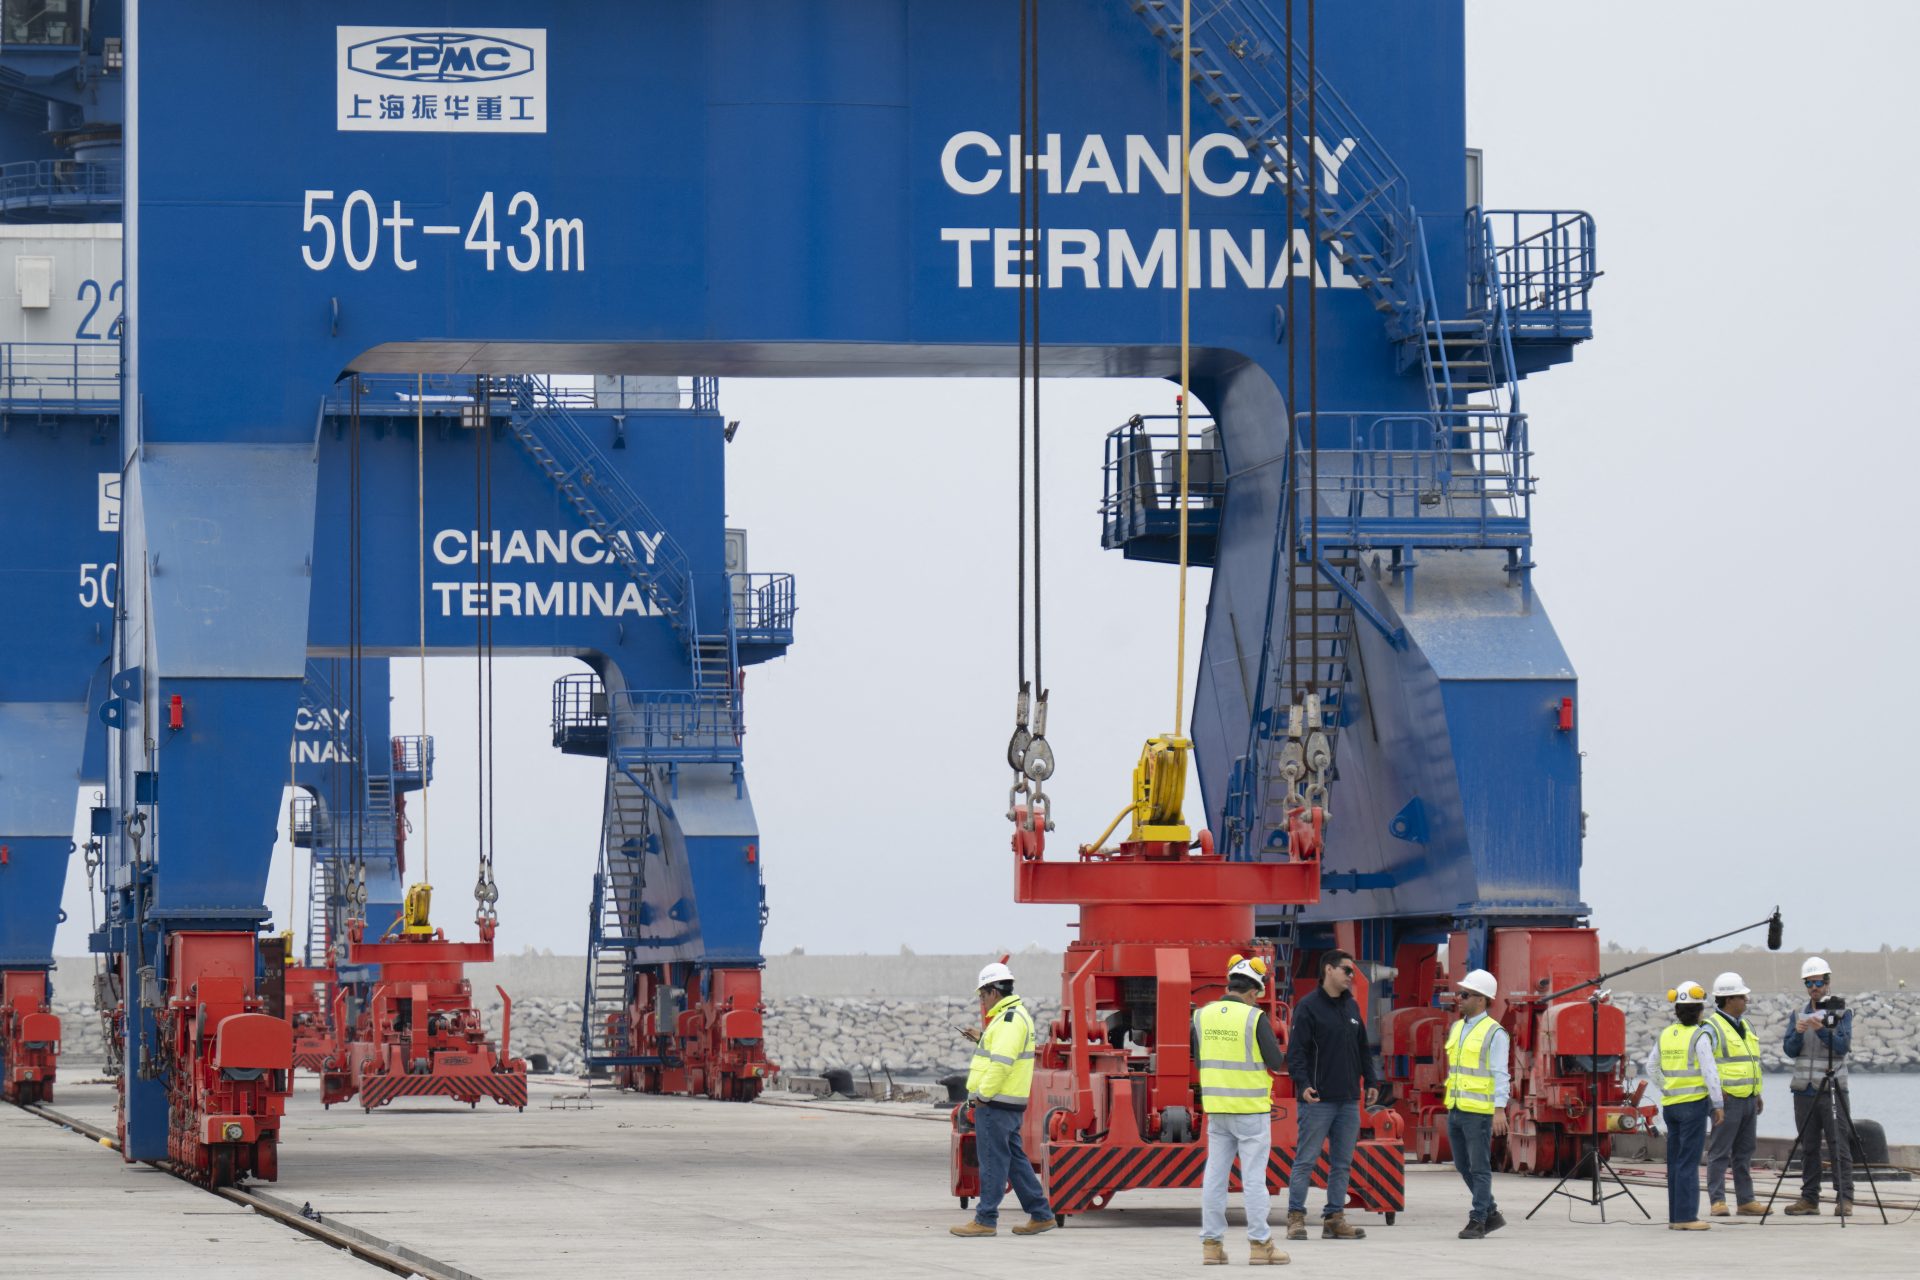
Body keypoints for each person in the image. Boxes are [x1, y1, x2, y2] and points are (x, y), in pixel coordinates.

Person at [1191, 955, 1290, 1266]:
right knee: (1253, 1180)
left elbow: (1198, 1060)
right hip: (1250, 1111)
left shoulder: (1202, 1016)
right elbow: (1276, 1062)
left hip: (1217, 1111)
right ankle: (1261, 1244)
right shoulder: (1254, 1018)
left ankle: (1211, 1245)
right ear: (1252, 992)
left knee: (1215, 1178)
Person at [950, 960, 1057, 1238]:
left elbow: (1001, 1063)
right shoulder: (1012, 1016)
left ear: (993, 992)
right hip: (1006, 1103)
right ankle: (1041, 1214)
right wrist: (982, 1037)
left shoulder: (1009, 1019)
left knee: (993, 1161)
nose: (982, 1001)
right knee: (1014, 1161)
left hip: (996, 1103)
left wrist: (983, 1096)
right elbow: (1002, 1050)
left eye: (982, 995)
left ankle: (986, 1219)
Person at [1284, 948, 1382, 1241]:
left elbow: (1362, 1047)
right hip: (1318, 1101)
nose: (1351, 976)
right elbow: (1296, 1053)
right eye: (1346, 970)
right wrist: (1302, 1085)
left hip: (1348, 1100)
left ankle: (1334, 1218)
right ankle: (1295, 1218)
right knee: (1306, 1160)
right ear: (1328, 969)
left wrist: (1372, 1079)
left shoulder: (1351, 1007)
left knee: (1342, 1163)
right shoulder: (1308, 1007)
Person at [1641, 980, 1723, 1230]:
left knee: (1676, 1162)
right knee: (1689, 1160)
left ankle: (1676, 1217)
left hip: (1671, 1106)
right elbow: (1710, 1071)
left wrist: (1667, 1086)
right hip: (1693, 1105)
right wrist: (1718, 1103)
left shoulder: (1666, 1034)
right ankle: (1687, 1217)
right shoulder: (1700, 1035)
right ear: (1699, 1010)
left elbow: (1651, 1066)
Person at [1783, 955, 1854, 1216]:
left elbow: (1843, 1046)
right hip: (1804, 1090)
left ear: (1827, 982)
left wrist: (1822, 1028)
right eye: (1809, 983)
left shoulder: (1842, 1013)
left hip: (1833, 1088)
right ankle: (1809, 1198)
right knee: (1808, 1146)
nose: (1814, 987)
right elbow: (1790, 1050)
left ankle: (1844, 1198)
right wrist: (1798, 1032)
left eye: (1818, 982)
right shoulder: (1797, 1014)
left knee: (1839, 1144)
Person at [1443, 968, 1510, 1240]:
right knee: (1462, 1165)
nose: (1459, 998)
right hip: (1457, 1108)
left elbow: (1500, 1073)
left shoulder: (1495, 1033)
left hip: (1479, 1113)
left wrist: (1499, 1109)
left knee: (1479, 1167)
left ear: (1481, 1000)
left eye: (1465, 994)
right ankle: (1491, 1211)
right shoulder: (1457, 1027)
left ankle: (1479, 1219)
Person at [1702, 972, 1766, 1217]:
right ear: (1729, 999)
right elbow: (1705, 1064)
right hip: (1727, 1102)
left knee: (1745, 1152)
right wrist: (1717, 1096)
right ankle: (1717, 1200)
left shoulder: (1746, 1025)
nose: (1746, 1000)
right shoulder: (1712, 1028)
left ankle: (1745, 1200)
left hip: (1749, 1098)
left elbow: (1751, 1061)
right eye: (1742, 996)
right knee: (1720, 1152)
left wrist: (1757, 1093)